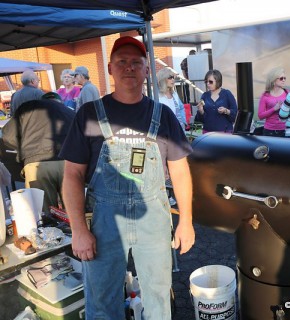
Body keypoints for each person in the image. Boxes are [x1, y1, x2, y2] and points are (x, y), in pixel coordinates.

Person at [59, 36, 195, 319]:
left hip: (153, 219)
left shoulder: (164, 115)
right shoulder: (89, 115)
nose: (129, 68)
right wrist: (79, 231)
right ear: (110, 68)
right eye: (122, 62)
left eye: (136, 62)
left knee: (158, 297)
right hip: (105, 222)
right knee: (102, 301)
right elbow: (72, 175)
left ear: (147, 70)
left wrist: (186, 221)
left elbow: (180, 171)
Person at [2, 92, 74, 212]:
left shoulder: (28, 107)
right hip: (68, 163)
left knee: (43, 214)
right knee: (73, 212)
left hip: (36, 164)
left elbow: (8, 136)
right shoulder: (69, 111)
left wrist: (24, 149)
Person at [257, 67, 288, 137]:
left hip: (285, 130)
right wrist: (274, 109)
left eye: (284, 78)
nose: (283, 80)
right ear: (273, 80)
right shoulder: (265, 95)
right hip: (269, 131)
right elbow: (260, 116)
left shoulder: (288, 93)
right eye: (281, 78)